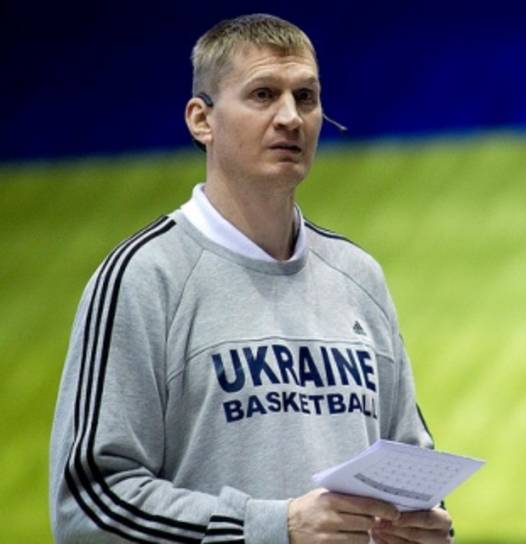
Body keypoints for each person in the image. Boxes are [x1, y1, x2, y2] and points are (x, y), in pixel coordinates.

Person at [49, 13, 453, 544]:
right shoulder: (143, 277)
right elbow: (89, 504)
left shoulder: (359, 276)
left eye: (305, 97)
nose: (290, 117)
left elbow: (410, 468)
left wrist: (424, 524)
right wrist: (274, 528)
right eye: (263, 95)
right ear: (202, 120)